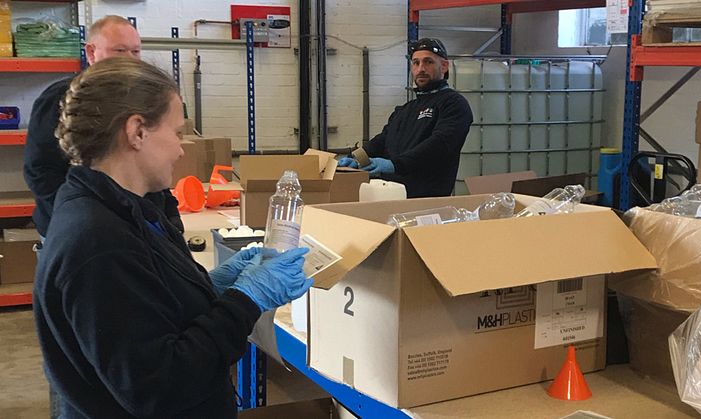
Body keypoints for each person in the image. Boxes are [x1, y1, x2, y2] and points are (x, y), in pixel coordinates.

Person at [33, 57, 313, 418]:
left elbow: (146, 307)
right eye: (177, 133)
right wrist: (247, 298)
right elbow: (160, 385)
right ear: (137, 132)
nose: (182, 149)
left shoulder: (127, 208)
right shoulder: (97, 242)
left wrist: (208, 287)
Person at [23, 15, 185, 237]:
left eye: (135, 51)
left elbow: (150, 164)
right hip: (85, 229)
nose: (130, 59)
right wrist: (75, 221)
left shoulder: (140, 99)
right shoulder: (62, 99)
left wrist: (169, 216)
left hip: (133, 227)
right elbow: (41, 171)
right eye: (120, 51)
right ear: (91, 52)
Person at [339, 38, 473, 198]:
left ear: (444, 66)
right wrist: (356, 156)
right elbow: (382, 140)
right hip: (390, 196)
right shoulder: (405, 109)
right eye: (416, 63)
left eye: (428, 62)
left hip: (426, 202)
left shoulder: (454, 104)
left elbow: (440, 145)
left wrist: (395, 165)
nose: (421, 69)